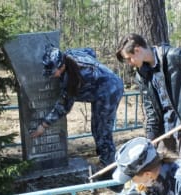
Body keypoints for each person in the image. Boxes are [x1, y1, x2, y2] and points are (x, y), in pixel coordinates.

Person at [115, 33, 181, 164]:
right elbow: (150, 109)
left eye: (129, 59)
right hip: (165, 124)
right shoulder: (142, 75)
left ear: (137, 50)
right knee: (161, 165)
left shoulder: (174, 56)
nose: (129, 63)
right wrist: (151, 137)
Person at [31, 44, 124, 177]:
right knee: (96, 128)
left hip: (110, 92)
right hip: (101, 90)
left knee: (102, 132)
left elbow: (63, 107)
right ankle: (105, 160)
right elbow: (90, 51)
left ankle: (111, 170)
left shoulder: (72, 79)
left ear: (62, 66)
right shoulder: (70, 55)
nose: (52, 76)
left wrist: (43, 125)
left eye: (53, 72)